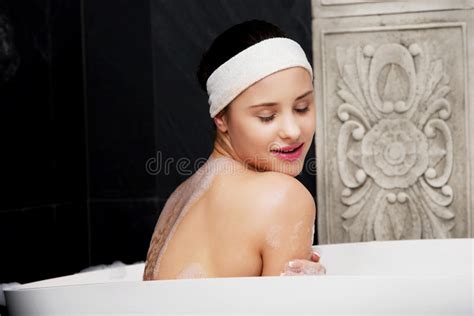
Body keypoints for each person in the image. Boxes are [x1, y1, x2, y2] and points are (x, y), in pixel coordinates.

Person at [143, 20, 326, 280]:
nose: (293, 131)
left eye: (302, 108)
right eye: (266, 116)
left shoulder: (177, 201)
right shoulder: (284, 197)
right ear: (221, 118)